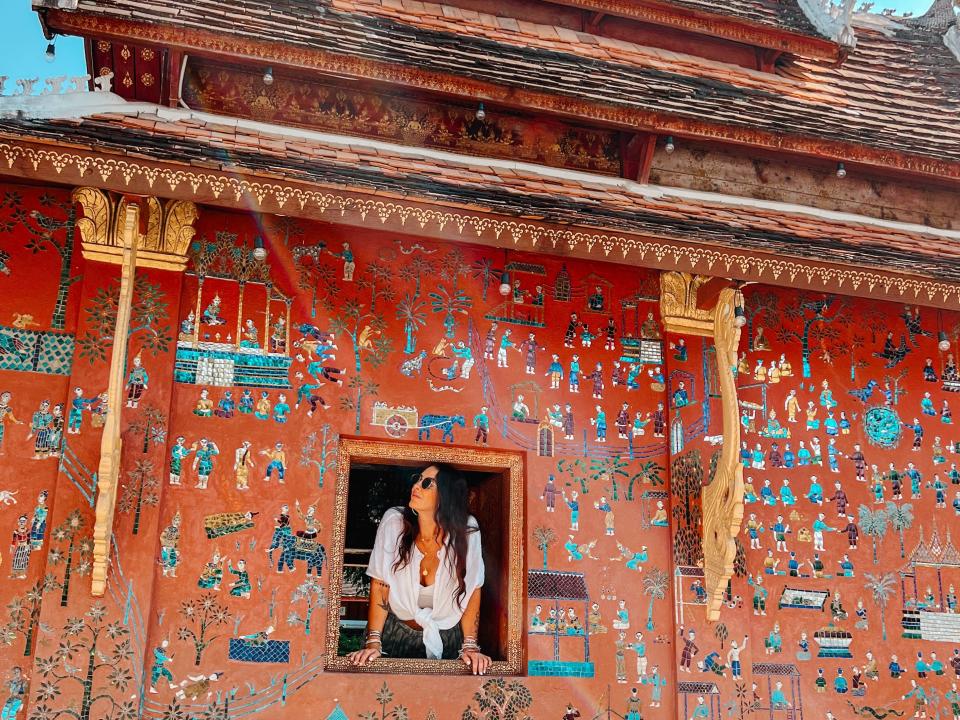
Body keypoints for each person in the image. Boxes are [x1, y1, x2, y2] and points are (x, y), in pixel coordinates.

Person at [349, 464, 489, 673]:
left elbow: (473, 588)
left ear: (447, 495)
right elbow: (380, 584)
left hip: (447, 635)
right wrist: (373, 643)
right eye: (417, 479)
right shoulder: (394, 522)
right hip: (393, 631)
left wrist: (469, 646)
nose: (416, 486)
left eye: (427, 483)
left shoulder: (467, 531)